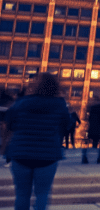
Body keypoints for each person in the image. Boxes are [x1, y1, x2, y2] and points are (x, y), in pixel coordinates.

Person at [4, 73, 71, 210]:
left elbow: (9, 124)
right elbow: (68, 124)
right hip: (47, 155)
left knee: (22, 195)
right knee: (42, 194)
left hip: (21, 153)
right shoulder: (59, 104)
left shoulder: (21, 102)